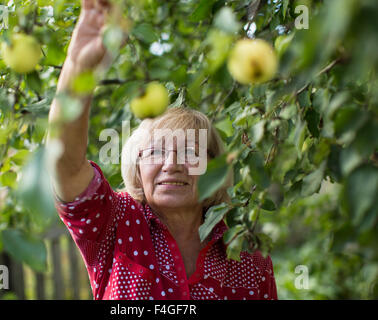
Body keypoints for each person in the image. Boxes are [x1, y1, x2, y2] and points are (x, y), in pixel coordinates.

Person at [47, 0, 277, 300]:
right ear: (137, 166)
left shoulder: (247, 254)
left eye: (190, 151)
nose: (172, 164)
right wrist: (79, 65)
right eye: (155, 152)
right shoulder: (115, 221)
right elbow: (63, 162)